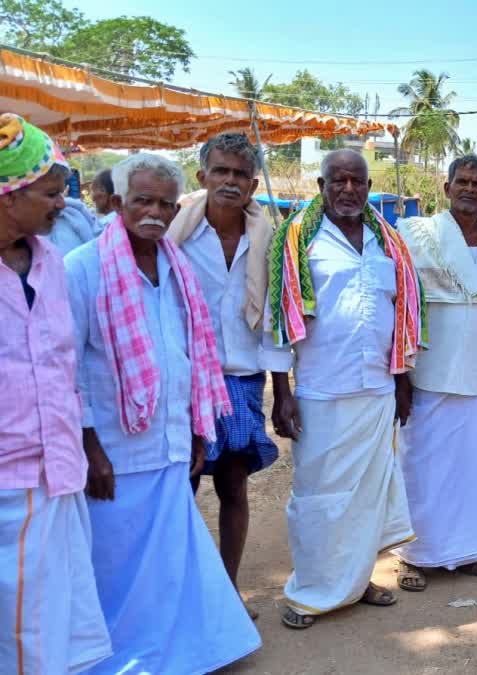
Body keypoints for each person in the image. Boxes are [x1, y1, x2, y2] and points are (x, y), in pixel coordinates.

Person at [64, 153, 260, 673]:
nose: (154, 212)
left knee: (169, 562)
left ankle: (178, 652)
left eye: (165, 204)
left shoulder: (176, 265)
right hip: (114, 449)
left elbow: (187, 353)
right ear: (115, 203)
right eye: (142, 201)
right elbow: (68, 365)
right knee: (117, 565)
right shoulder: (82, 267)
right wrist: (88, 445)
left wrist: (196, 429)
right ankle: (118, 657)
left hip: (170, 439)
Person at [262, 149, 422, 628]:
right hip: (320, 390)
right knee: (317, 496)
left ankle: (356, 582)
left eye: (358, 181)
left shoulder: (387, 242)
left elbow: (400, 317)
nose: (349, 189)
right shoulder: (296, 241)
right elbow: (277, 321)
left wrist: (402, 382)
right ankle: (310, 590)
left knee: (369, 494)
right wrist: (283, 391)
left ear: (369, 187)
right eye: (339, 180)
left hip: (376, 389)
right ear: (321, 184)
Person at [0, 113, 112, 674]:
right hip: (6, 482)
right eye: (50, 192)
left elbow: (66, 368)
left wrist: (86, 443)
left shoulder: (49, 264)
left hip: (55, 474)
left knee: (51, 619)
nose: (63, 204)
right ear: (8, 193)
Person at [393, 154, 477, 589]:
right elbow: (401, 308)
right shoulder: (417, 234)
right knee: (422, 465)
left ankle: (467, 550)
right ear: (446, 189)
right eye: (461, 181)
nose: (469, 188)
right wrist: (401, 377)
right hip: (428, 371)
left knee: (471, 468)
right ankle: (417, 555)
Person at [167, 132, 278, 619]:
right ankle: (186, 593)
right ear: (202, 177)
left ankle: (228, 593)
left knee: (233, 486)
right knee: (183, 489)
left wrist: (284, 390)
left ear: (253, 184)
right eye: (221, 171)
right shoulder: (177, 235)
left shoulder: (267, 238)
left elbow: (275, 315)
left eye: (239, 174)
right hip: (188, 380)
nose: (230, 181)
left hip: (243, 379)